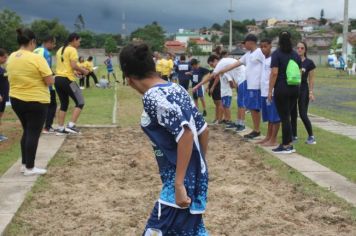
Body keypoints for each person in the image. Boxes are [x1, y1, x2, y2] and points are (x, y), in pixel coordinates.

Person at [119, 43, 209, 235]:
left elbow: (186, 133)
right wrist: (199, 166)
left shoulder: (152, 97)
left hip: (178, 184)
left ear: (129, 79)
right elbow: (203, 130)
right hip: (193, 177)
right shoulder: (177, 89)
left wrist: (179, 183)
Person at [7, 28, 54, 175]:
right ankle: (30, 167)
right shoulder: (36, 58)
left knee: (27, 131)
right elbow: (49, 81)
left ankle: (24, 164)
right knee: (33, 133)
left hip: (16, 100)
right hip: (36, 101)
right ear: (33, 42)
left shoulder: (12, 57)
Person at [212, 34, 265, 139]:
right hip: (250, 85)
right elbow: (235, 64)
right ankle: (256, 130)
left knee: (255, 108)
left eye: (244, 43)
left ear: (250, 42)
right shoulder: (247, 54)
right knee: (253, 108)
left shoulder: (259, 52)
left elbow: (267, 66)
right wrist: (221, 71)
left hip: (257, 85)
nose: (243, 45)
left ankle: (256, 130)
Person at [268, 31, 301, 154]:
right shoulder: (296, 55)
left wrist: (270, 90)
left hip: (282, 88)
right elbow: (299, 72)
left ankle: (286, 145)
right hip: (294, 88)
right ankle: (289, 143)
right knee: (288, 116)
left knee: (284, 117)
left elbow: (274, 73)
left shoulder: (276, 54)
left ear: (280, 41)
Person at [55, 33, 89, 135]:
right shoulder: (72, 50)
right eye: (79, 41)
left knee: (64, 104)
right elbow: (74, 65)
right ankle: (71, 125)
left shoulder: (60, 49)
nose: (79, 43)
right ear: (74, 40)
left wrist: (75, 72)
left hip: (58, 79)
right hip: (68, 80)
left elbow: (65, 66)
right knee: (80, 102)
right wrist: (84, 71)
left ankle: (60, 128)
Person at [291, 42, 316, 145]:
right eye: (298, 48)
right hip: (293, 89)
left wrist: (311, 92)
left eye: (302, 48)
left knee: (302, 114)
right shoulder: (292, 61)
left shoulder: (309, 63)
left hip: (303, 89)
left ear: (305, 50)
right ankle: (294, 136)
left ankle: (311, 137)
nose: (300, 50)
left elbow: (312, 79)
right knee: (292, 113)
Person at [257, 39, 280, 146]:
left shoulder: (273, 59)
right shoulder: (264, 59)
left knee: (274, 116)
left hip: (272, 92)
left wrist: (271, 90)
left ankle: (273, 139)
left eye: (265, 46)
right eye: (261, 47)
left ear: (270, 46)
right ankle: (268, 137)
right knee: (269, 117)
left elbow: (274, 74)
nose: (263, 49)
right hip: (264, 92)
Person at [33, 35, 57, 134]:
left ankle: (38, 127)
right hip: (46, 84)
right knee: (52, 105)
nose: (54, 46)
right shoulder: (46, 53)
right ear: (49, 42)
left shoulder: (35, 50)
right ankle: (47, 127)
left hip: (34, 83)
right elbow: (46, 69)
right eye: (54, 43)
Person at [208, 55, 237, 126]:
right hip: (223, 92)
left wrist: (232, 86)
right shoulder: (220, 74)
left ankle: (228, 119)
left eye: (212, 64)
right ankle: (225, 119)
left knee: (226, 106)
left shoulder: (226, 73)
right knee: (224, 106)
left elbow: (231, 82)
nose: (213, 67)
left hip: (227, 93)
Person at [0, 49, 9, 142]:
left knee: (0, 114)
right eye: (4, 57)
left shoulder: (2, 68)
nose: (6, 59)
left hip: (3, 96)